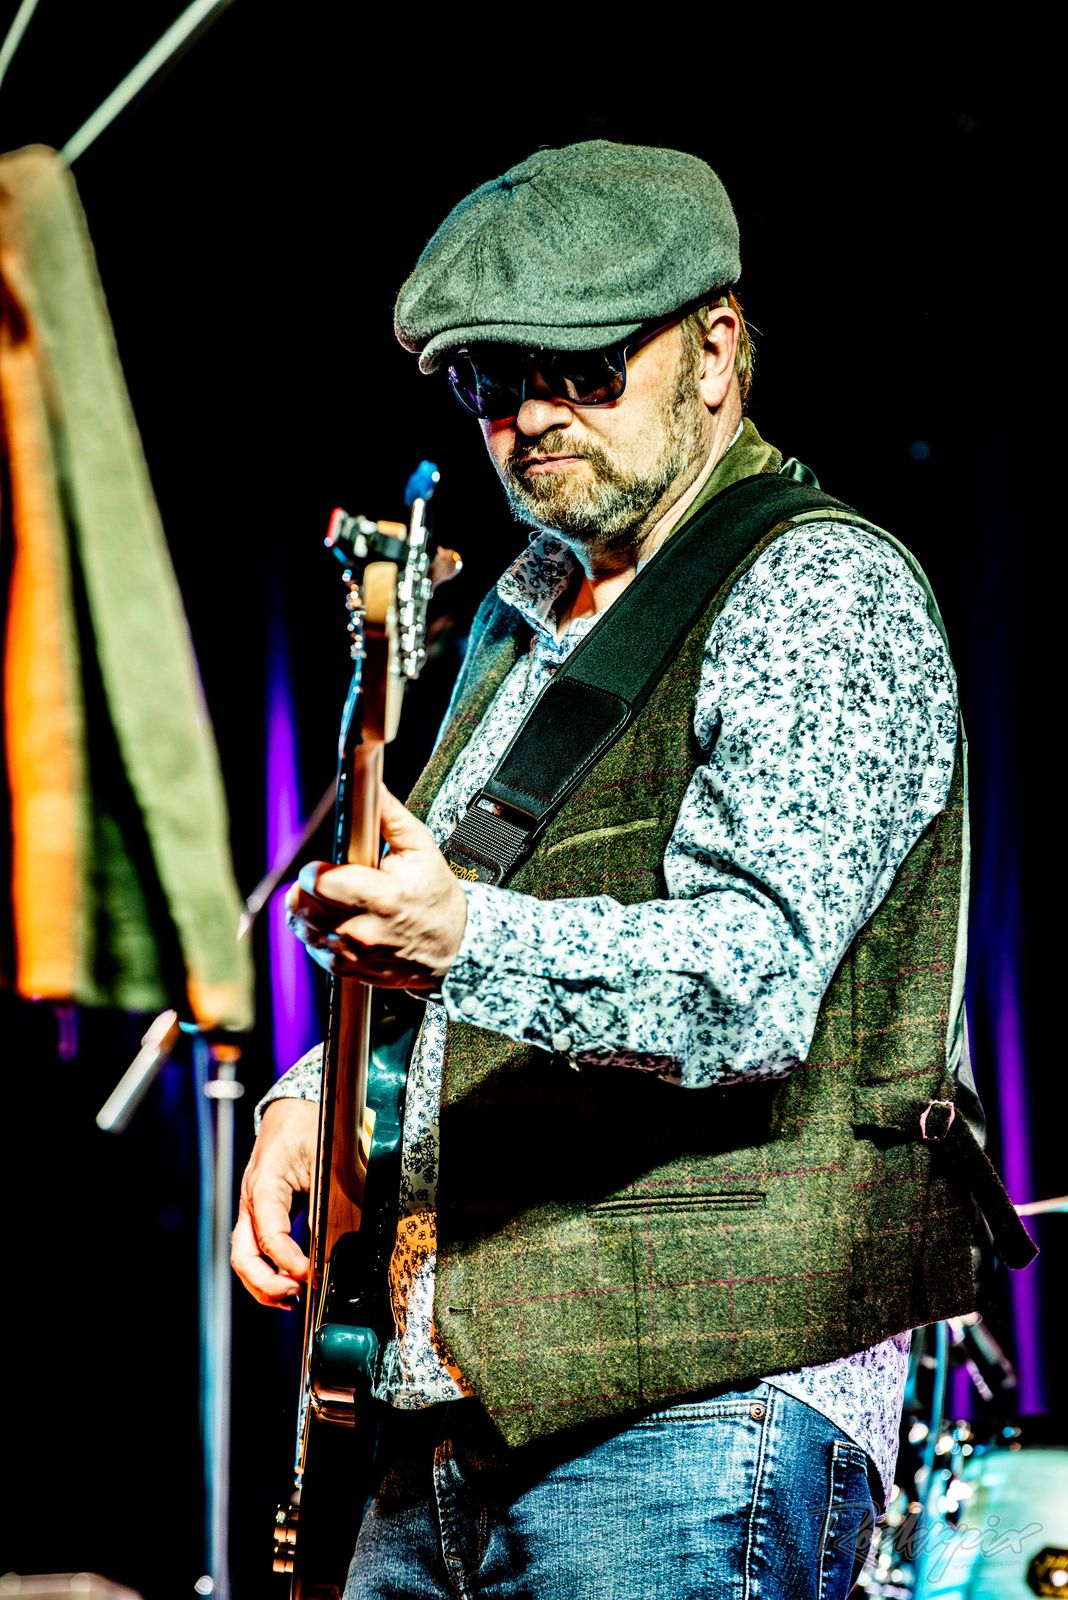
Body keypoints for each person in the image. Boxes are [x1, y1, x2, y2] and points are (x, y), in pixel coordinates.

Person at [231, 141, 1033, 1600]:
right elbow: (465, 929)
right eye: (492, 381)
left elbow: (751, 982)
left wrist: (459, 936)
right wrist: (318, 1094)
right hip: (443, 1410)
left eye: (584, 367)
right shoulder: (525, 611)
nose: (532, 414)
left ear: (714, 352)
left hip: (697, 1403)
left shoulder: (818, 587)